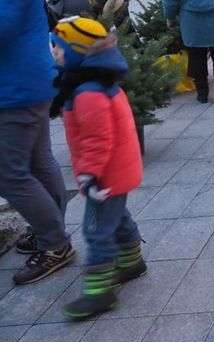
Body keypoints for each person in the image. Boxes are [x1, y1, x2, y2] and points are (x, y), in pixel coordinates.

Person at [49, 17, 146, 320]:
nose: (53, 52)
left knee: (95, 229)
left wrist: (89, 175)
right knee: (117, 217)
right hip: (117, 169)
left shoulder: (88, 92)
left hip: (104, 173)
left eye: (58, 47)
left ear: (78, 51)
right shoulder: (97, 80)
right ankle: (131, 261)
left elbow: (97, 139)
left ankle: (99, 290)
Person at [0, 0, 75, 286]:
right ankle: (50, 228)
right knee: (38, 160)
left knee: (10, 175)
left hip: (15, 88)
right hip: (25, 83)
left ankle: (55, 241)